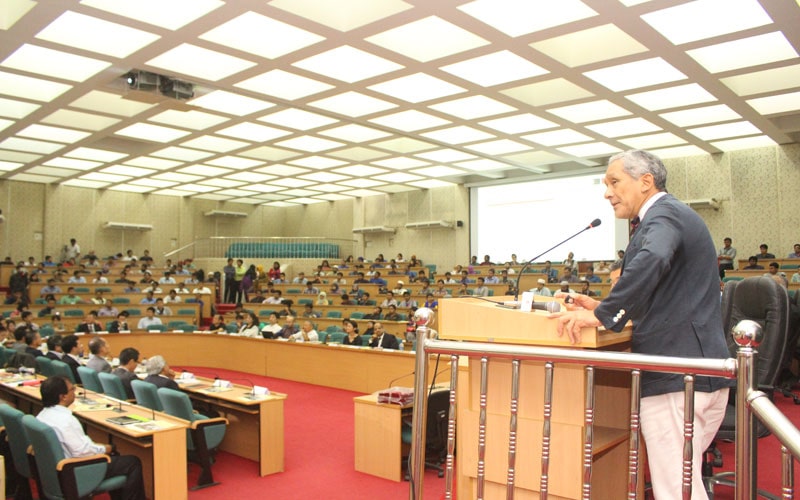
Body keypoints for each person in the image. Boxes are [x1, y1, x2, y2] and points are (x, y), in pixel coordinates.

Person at [550, 150, 732, 499]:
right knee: (685, 484)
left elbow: (654, 256)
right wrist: (602, 306)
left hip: (677, 375)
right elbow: (670, 296)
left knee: (676, 490)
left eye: (614, 182)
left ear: (646, 181)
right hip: (699, 373)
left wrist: (603, 315)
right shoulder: (671, 215)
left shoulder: (662, 214)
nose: (607, 193)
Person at [37, 375, 146, 500]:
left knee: (116, 458)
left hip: (56, 472)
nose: (75, 392)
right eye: (72, 389)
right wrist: (105, 449)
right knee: (132, 462)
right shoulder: (66, 420)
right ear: (63, 397)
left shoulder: (41, 416)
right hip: (77, 471)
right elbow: (82, 452)